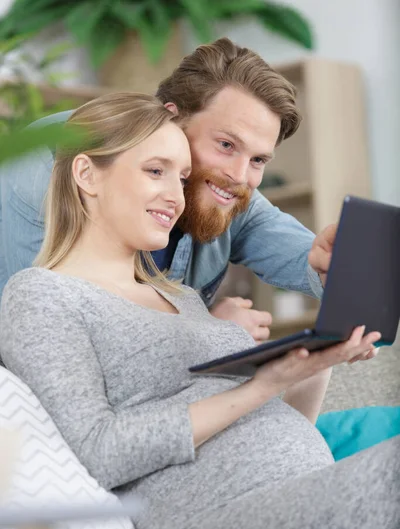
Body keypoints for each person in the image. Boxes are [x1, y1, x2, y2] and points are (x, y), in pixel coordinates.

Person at [1, 92, 398, 529]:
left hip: (302, 491)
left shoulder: (181, 297)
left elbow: (270, 426)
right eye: (156, 171)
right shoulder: (41, 294)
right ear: (87, 173)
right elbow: (98, 450)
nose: (176, 196)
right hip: (213, 521)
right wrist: (264, 384)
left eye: (183, 177)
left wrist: (316, 361)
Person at [0, 38, 341, 345]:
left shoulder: (225, 189)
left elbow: (304, 257)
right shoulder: (51, 166)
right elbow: (59, 333)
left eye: (258, 159)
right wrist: (207, 330)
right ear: (171, 117)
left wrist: (335, 267)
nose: (238, 175)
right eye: (225, 144)